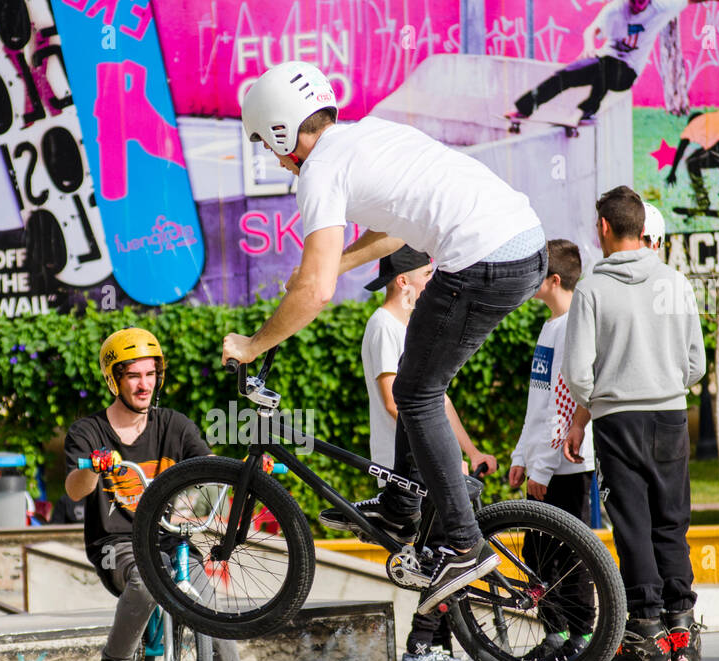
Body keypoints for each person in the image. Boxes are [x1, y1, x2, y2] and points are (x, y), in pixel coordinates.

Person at [227, 61, 546, 616]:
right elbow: (396, 229)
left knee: (416, 395)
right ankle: (401, 502)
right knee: (419, 374)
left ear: (281, 128)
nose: (276, 159)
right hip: (523, 244)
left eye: (269, 145)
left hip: (483, 258)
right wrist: (334, 264)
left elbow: (316, 292)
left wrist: (253, 344)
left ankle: (464, 548)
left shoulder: (319, 172)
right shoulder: (370, 133)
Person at [65, 328, 276, 661]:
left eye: (150, 374)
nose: (144, 385)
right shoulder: (88, 432)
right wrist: (93, 467)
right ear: (114, 379)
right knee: (147, 579)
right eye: (132, 376)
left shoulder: (174, 426)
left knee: (210, 601)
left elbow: (209, 467)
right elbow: (75, 488)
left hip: (171, 539)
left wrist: (246, 472)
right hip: (118, 543)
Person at [562, 186, 705, 661]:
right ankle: (682, 633)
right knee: (670, 522)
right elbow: (696, 365)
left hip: (617, 419)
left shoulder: (591, 290)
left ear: (604, 227)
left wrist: (603, 397)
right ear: (643, 226)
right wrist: (660, 383)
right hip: (670, 416)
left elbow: (577, 373)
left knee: (632, 525)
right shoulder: (674, 282)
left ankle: (644, 639)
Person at [349, 245, 497, 661]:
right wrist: (442, 456)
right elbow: (396, 402)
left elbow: (436, 401)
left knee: (446, 548)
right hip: (403, 463)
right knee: (441, 546)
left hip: (427, 458)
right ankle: (421, 645)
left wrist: (467, 451)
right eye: (428, 275)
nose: (434, 281)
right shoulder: (383, 326)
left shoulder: (414, 328)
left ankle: (442, 646)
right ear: (403, 282)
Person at [509, 239, 598, 661]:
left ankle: (582, 634)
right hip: (544, 464)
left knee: (571, 555)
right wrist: (521, 456)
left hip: (567, 466)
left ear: (555, 280)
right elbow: (538, 401)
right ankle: (555, 632)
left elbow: (565, 402)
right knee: (538, 554)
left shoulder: (573, 327)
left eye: (536, 273)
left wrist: (541, 468)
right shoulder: (550, 327)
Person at [510, 0, 719, 124]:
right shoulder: (615, 8)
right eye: (635, 3)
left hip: (627, 73)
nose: (638, 7)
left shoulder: (662, 7)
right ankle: (524, 109)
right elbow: (591, 30)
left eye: (643, 3)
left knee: (606, 68)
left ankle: (588, 109)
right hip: (603, 61)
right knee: (565, 75)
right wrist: (588, 45)